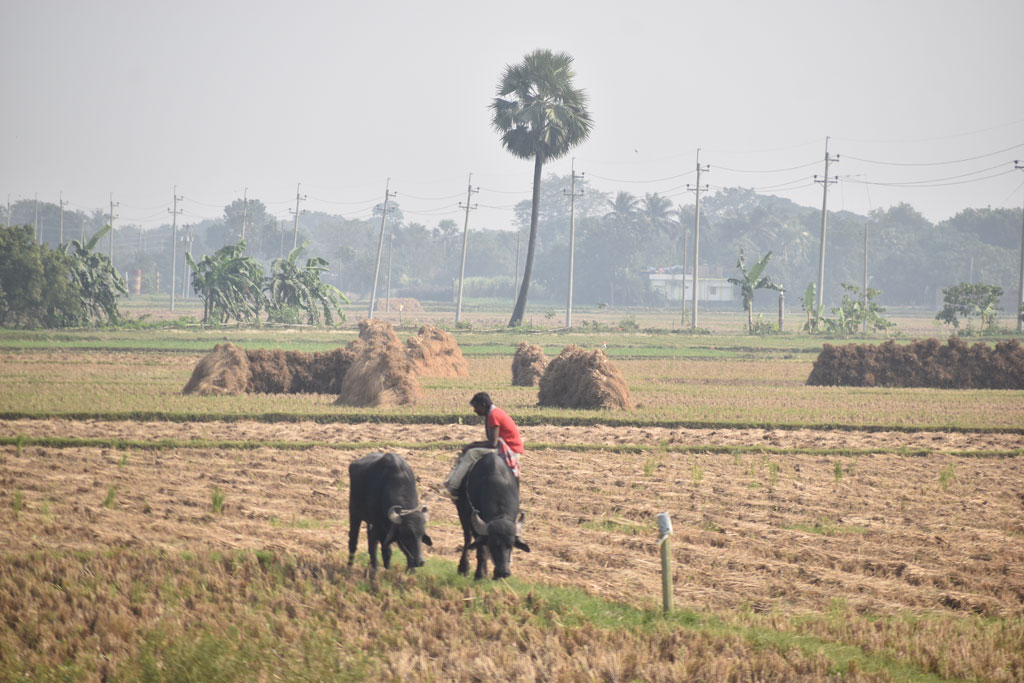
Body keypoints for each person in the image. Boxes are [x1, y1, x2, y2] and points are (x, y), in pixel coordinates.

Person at [441, 392, 523, 499]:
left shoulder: (494, 415)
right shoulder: (494, 413)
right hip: (505, 446)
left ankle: (453, 487)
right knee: (470, 451)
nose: (475, 410)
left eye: (476, 407)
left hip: (508, 449)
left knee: (471, 453)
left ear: (483, 405)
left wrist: (472, 445)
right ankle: (451, 482)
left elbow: (492, 443)